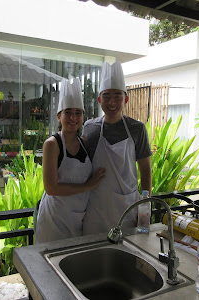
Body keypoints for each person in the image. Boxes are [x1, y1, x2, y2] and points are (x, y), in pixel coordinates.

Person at [82, 61, 152, 235]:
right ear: (99, 100)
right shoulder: (89, 128)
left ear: (126, 99)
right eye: (106, 96)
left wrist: (144, 208)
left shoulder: (137, 128)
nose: (111, 102)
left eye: (117, 96)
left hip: (127, 209)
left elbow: (146, 171)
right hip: (95, 208)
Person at [35, 78, 106, 243]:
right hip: (54, 219)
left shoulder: (84, 142)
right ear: (59, 116)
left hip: (77, 218)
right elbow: (51, 188)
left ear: (83, 116)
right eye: (68, 112)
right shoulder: (52, 144)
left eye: (78, 113)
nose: (73, 117)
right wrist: (88, 186)